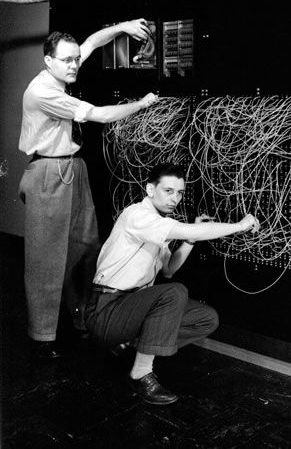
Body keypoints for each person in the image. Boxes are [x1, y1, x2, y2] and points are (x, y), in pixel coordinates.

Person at [18, 20, 160, 359]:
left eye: (74, 59)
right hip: (47, 172)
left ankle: (83, 318)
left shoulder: (63, 69)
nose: (73, 65)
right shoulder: (44, 92)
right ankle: (42, 337)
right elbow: (97, 115)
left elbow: (93, 40)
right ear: (47, 61)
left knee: (86, 246)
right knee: (45, 258)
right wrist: (141, 105)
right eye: (66, 60)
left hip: (72, 166)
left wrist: (124, 26)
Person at [85, 162, 260, 405]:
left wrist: (188, 241)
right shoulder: (137, 215)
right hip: (106, 310)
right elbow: (172, 274)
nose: (175, 199)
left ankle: (129, 346)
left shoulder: (158, 224)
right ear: (149, 190)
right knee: (174, 293)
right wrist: (239, 226)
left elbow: (168, 270)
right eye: (168, 191)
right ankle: (140, 374)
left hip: (130, 308)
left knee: (206, 318)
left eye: (179, 193)